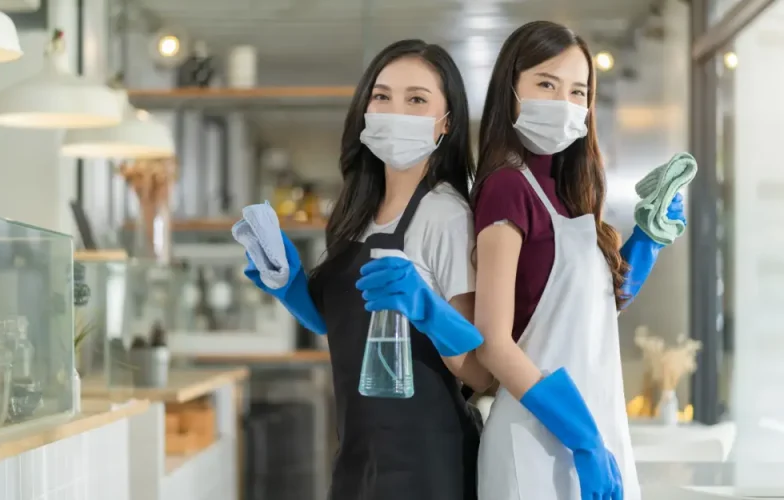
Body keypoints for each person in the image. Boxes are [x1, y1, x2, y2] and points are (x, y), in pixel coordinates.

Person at [234, 39, 491, 499]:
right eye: (382, 96)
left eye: (416, 99)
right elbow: (347, 326)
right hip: (359, 455)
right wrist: (291, 285)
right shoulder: (356, 209)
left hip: (429, 464)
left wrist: (426, 309)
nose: (396, 111)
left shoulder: (445, 214)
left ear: (445, 123)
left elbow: (480, 372)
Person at [468, 21, 686, 500]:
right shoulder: (507, 188)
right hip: (536, 438)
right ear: (512, 89)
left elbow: (591, 314)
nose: (564, 103)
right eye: (546, 84)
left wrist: (646, 240)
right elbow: (494, 344)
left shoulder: (573, 193)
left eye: (577, 91)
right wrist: (582, 439)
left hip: (596, 427)